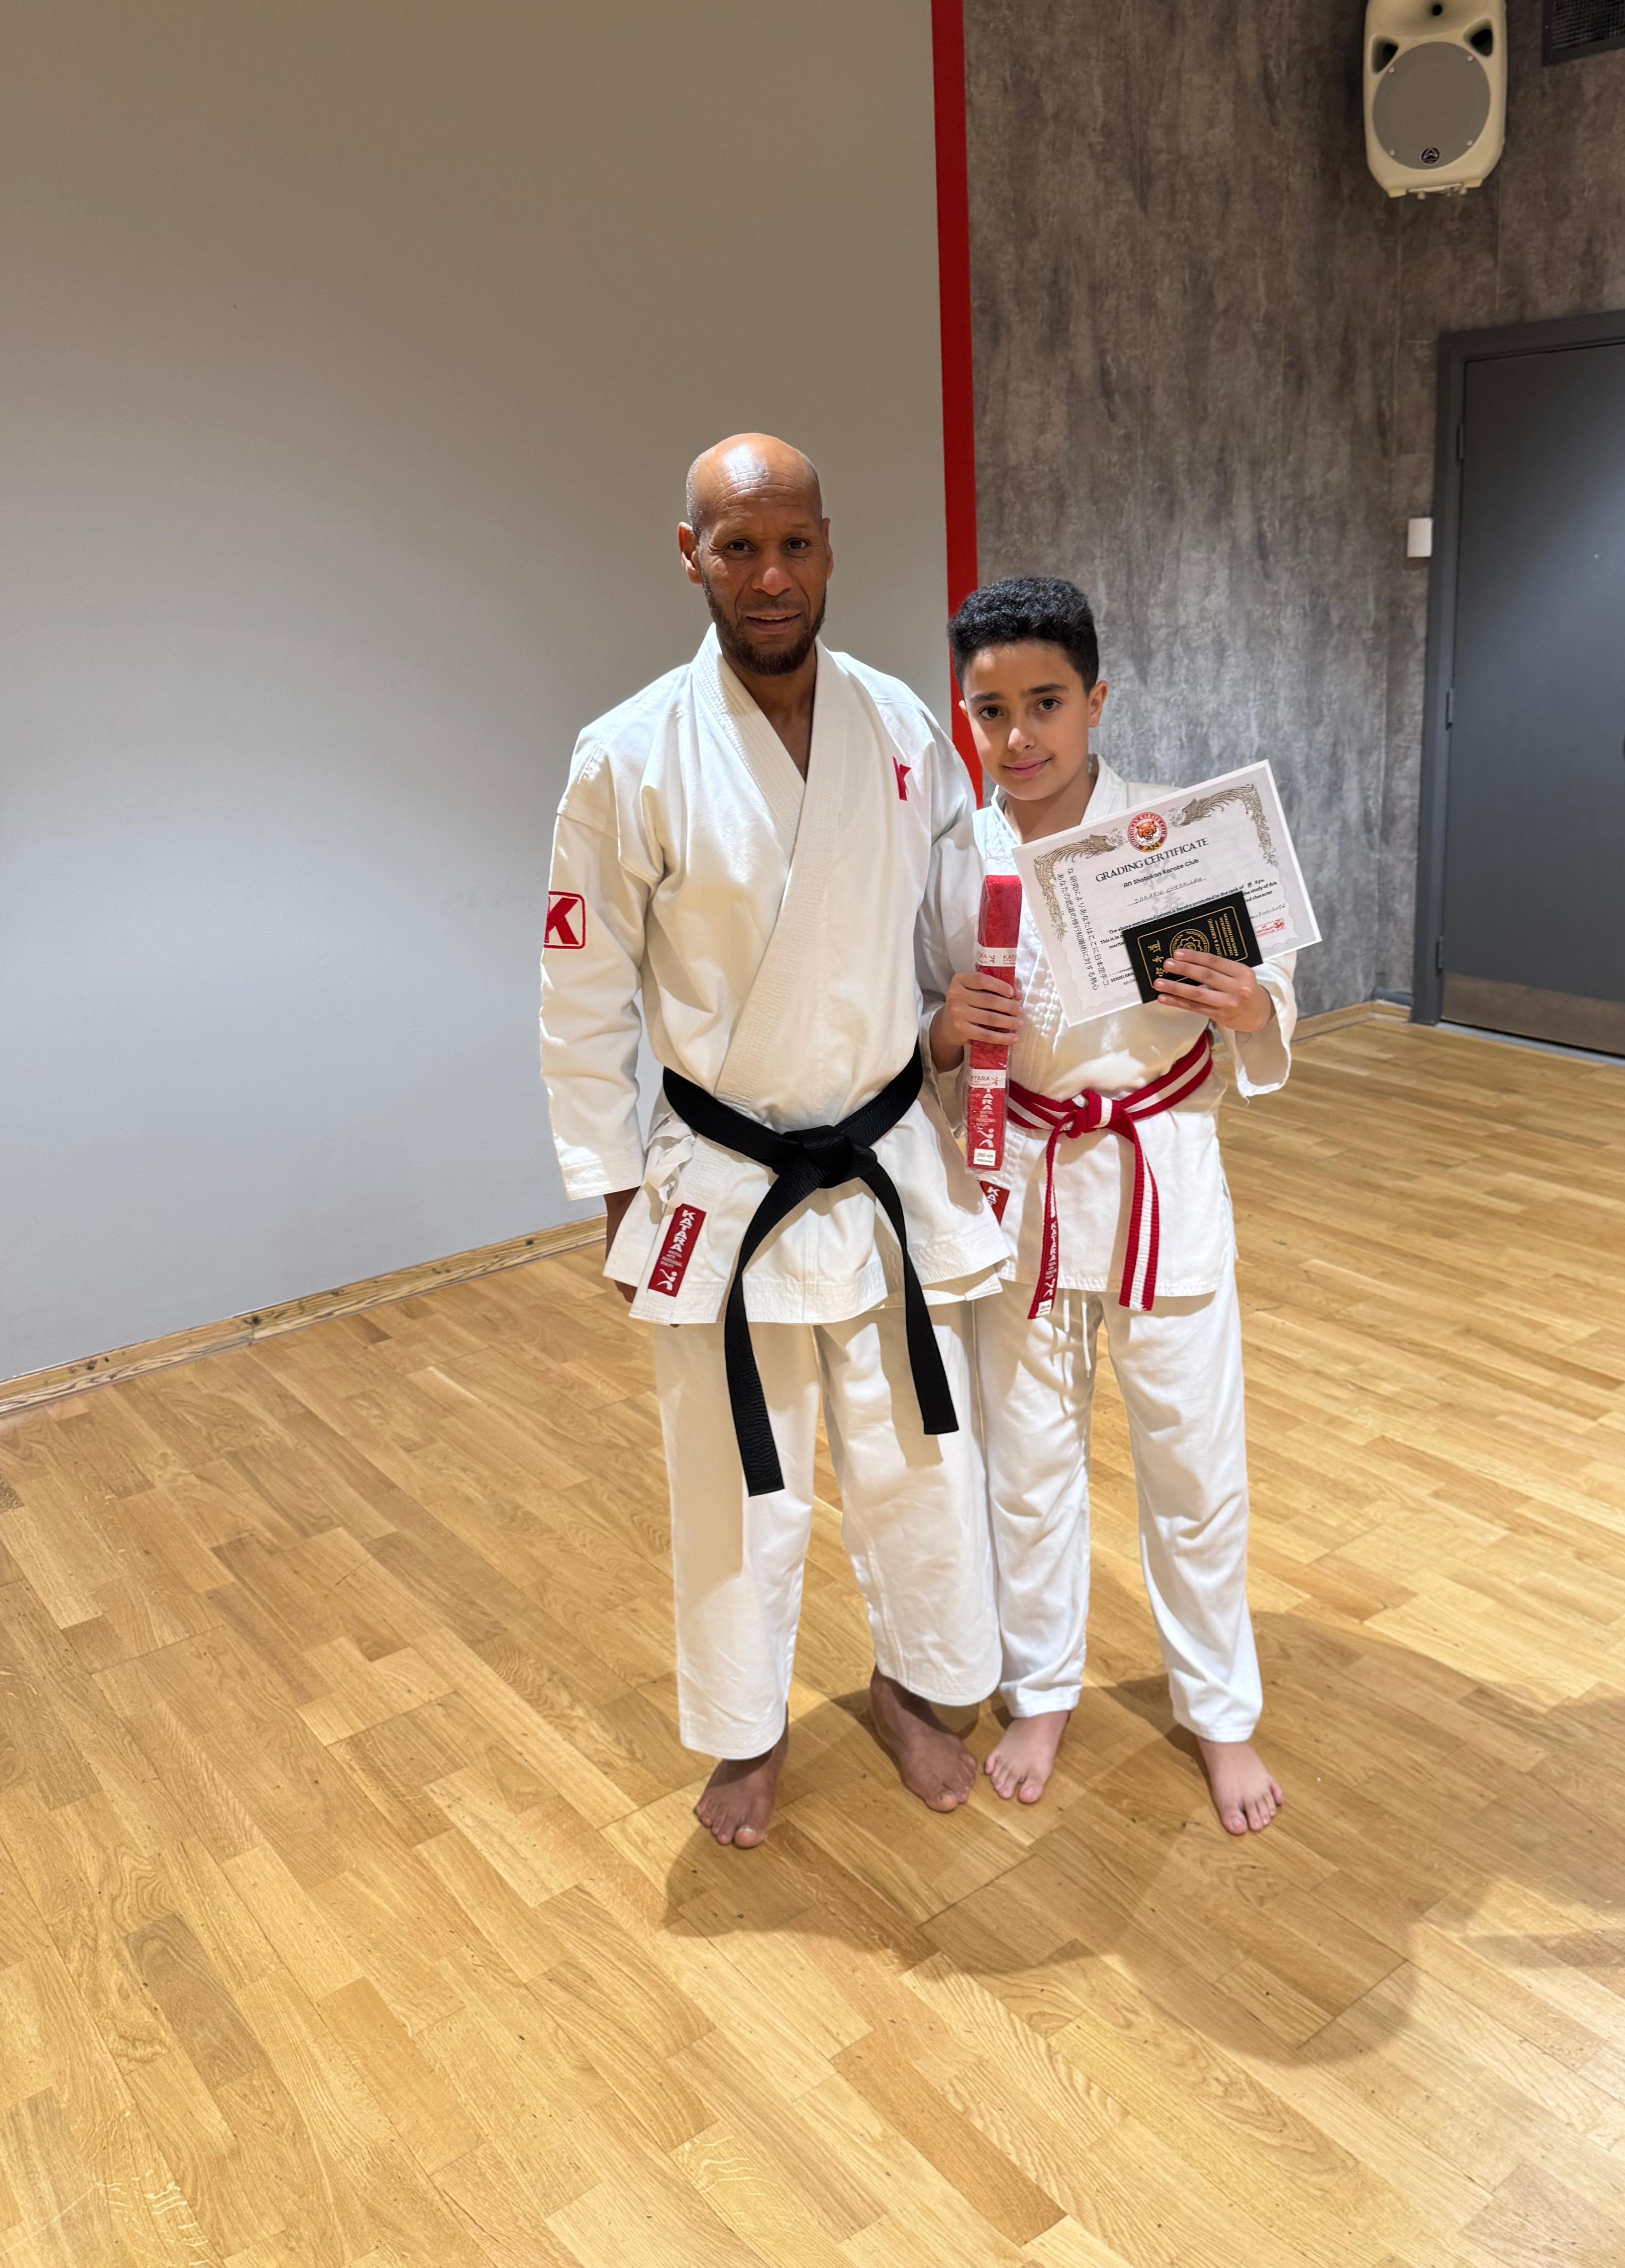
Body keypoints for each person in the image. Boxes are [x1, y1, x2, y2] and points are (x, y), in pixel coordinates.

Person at [541, 435, 1009, 1849]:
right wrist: (613, 1192)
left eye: (792, 543)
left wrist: (963, 1041)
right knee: (737, 1480)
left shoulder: (903, 730)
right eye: (736, 547)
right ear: (687, 553)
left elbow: (944, 945)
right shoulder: (625, 756)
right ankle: (745, 1737)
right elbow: (580, 987)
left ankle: (919, 1685)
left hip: (881, 1164)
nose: (769, 575)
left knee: (920, 1452)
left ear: (828, 546)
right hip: (723, 1178)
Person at [930, 577, 1298, 1836]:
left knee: (1193, 1461)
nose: (1019, 735)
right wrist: (942, 1033)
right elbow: (921, 1036)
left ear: (1098, 700)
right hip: (1021, 1186)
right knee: (1027, 1462)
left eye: (1045, 702)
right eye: (991, 710)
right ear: (965, 716)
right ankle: (1042, 1688)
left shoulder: (1181, 834)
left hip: (1161, 1167)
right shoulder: (955, 858)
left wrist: (1255, 1006)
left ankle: (1221, 1710)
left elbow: (1272, 986)